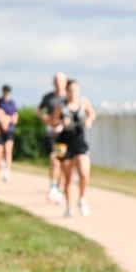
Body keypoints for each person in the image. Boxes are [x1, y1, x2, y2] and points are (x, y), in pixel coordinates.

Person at [54, 79, 97, 217]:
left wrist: (89, 121)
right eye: (71, 90)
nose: (73, 93)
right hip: (62, 144)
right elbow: (53, 121)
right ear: (67, 91)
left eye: (76, 90)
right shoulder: (61, 106)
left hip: (79, 142)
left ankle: (82, 199)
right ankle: (68, 208)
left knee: (84, 173)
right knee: (67, 178)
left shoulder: (84, 103)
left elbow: (92, 114)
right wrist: (61, 122)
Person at [39, 73, 68, 203]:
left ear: (65, 82)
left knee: (61, 162)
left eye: (60, 81)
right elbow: (39, 110)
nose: (58, 83)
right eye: (56, 81)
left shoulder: (68, 98)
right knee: (54, 159)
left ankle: (59, 189)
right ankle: (53, 186)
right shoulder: (48, 97)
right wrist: (44, 118)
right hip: (51, 133)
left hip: (63, 134)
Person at [0, 84, 19, 181]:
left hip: (9, 130)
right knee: (0, 151)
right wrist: (4, 120)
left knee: (8, 151)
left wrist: (6, 119)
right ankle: (1, 165)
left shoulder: (12, 103)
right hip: (0, 131)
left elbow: (15, 118)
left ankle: (7, 171)